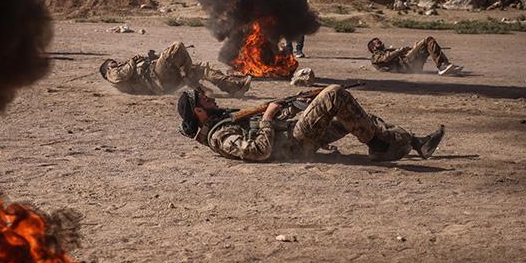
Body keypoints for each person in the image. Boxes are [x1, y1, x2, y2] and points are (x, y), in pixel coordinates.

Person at [177, 84, 445, 162]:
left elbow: (259, 124)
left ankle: (413, 142)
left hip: (294, 134)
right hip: (294, 144)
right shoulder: (219, 135)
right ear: (199, 111)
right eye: (205, 99)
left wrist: (288, 107)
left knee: (354, 116)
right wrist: (269, 117)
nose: (211, 98)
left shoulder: (224, 117)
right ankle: (377, 145)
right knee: (334, 95)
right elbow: (258, 150)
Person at [100, 41, 251, 95]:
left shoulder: (120, 70)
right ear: (107, 68)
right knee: (176, 47)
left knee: (201, 69)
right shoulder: (111, 74)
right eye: (112, 62)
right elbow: (122, 75)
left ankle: (234, 87)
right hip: (156, 79)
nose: (116, 62)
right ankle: (189, 78)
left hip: (160, 78)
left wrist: (149, 59)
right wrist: (133, 59)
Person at [367, 36, 463, 75]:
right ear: (374, 48)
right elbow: (386, 58)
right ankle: (442, 66)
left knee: (426, 46)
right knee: (428, 40)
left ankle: (445, 66)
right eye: (378, 43)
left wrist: (414, 48)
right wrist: (400, 50)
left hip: (409, 65)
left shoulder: (385, 51)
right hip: (406, 65)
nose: (382, 43)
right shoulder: (375, 56)